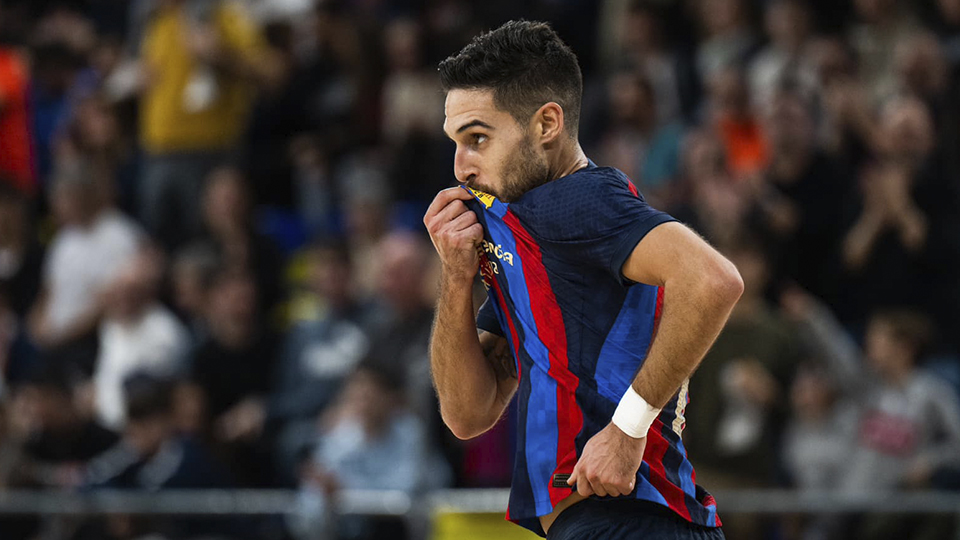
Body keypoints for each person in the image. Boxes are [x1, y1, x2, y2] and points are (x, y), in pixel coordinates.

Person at [424, 20, 743, 540]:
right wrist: (457, 278)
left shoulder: (577, 201)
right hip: (606, 523)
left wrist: (627, 430)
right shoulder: (520, 228)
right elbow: (468, 414)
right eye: (455, 142)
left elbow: (714, 280)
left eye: (478, 138)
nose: (461, 166)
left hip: (632, 520)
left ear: (547, 124)